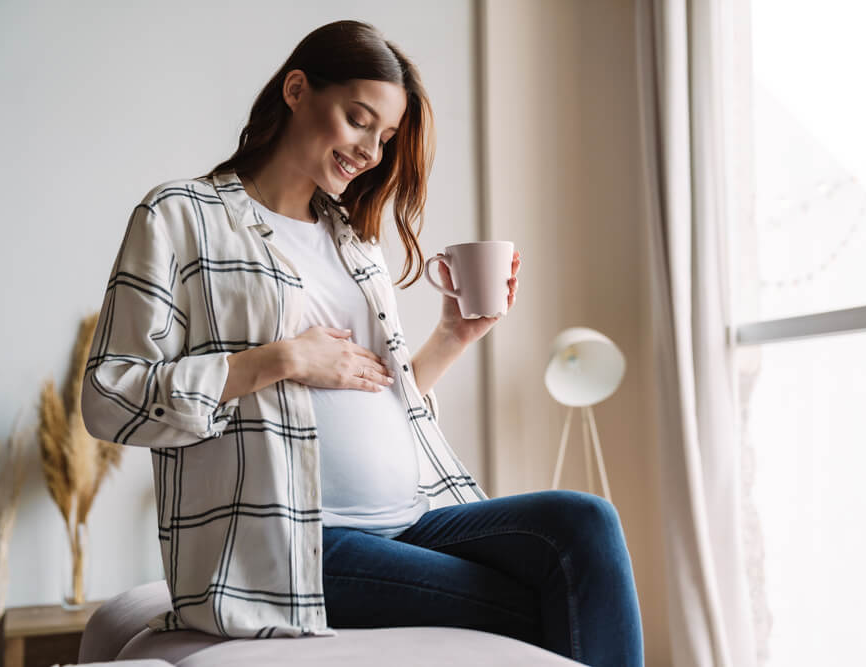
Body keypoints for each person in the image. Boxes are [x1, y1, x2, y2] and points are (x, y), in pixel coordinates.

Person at [81, 19, 643, 666]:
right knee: (548, 596)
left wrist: (454, 335)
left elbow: (378, 395)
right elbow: (110, 396)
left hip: (410, 520)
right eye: (358, 119)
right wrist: (281, 359)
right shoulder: (182, 216)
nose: (371, 151)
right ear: (297, 90)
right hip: (294, 539)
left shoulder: (353, 241)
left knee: (586, 521)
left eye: (385, 137)